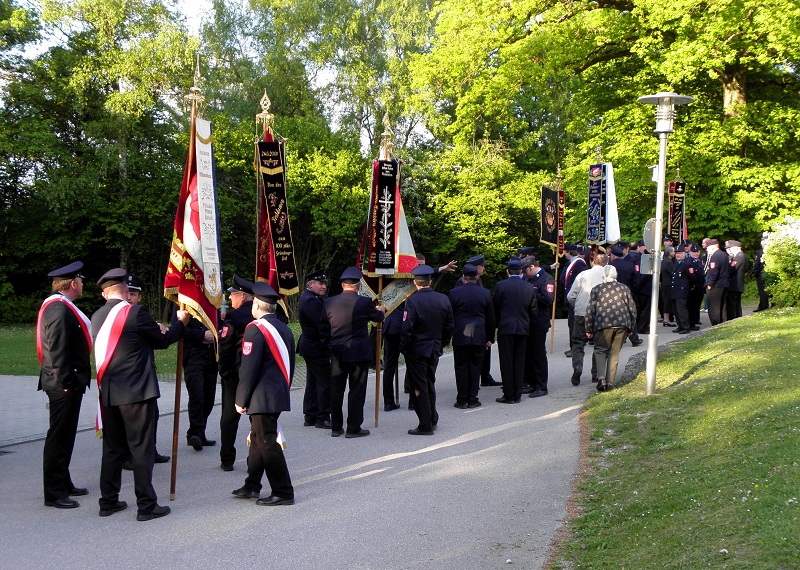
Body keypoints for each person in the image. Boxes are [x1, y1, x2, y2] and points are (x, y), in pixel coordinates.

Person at [92, 268, 189, 521]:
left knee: (113, 449)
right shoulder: (135, 312)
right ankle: (146, 505)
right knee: (141, 449)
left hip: (110, 392)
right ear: (125, 291)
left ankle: (108, 501)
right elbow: (162, 340)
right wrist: (181, 323)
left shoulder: (97, 316)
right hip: (137, 393)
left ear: (105, 295)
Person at [231, 282, 295, 506]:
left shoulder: (255, 328)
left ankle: (283, 491)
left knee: (267, 442)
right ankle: (252, 485)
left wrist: (241, 400)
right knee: (258, 439)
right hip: (276, 393)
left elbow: (248, 368)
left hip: (261, 396)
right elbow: (291, 364)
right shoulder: (285, 328)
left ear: (256, 305)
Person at [37, 261, 92, 509]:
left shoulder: (60, 306)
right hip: (63, 383)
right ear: (72, 284)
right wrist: (67, 381)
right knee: (59, 437)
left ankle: (63, 481)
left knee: (65, 435)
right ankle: (54, 492)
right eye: (80, 281)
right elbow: (57, 349)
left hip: (64, 381)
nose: (82, 284)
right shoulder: (58, 309)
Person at [320, 266, 385, 438]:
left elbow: (323, 329)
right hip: (358, 353)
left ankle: (336, 427)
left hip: (337, 352)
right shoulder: (364, 302)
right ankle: (353, 427)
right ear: (358, 286)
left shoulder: (329, 302)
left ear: (342, 285)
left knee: (336, 389)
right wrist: (382, 311)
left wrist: (330, 348)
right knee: (356, 390)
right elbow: (377, 318)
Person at [122, 275, 169, 470]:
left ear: (139, 297)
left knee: (152, 415)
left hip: (143, 375)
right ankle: (130, 456)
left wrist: (157, 330)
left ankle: (151, 449)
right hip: (127, 377)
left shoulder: (140, 313)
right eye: (127, 293)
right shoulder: (123, 314)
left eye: (133, 294)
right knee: (132, 420)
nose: (130, 297)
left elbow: (153, 337)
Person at [401, 265, 454, 435]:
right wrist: (443, 342)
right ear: (430, 281)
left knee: (419, 387)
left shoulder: (413, 300)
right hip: (434, 348)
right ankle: (432, 417)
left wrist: (404, 348)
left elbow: (407, 327)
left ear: (415, 282)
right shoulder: (443, 299)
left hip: (417, 349)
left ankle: (425, 424)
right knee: (430, 382)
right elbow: (449, 325)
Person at [218, 274, 254, 471]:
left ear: (243, 296)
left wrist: (224, 371)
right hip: (255, 373)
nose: (230, 299)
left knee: (230, 416)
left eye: (233, 295)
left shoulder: (234, 317)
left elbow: (225, 345)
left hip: (235, 373)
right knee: (255, 417)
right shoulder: (259, 314)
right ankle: (254, 458)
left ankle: (227, 458)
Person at [448, 263, 494, 409]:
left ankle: (461, 399)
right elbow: (490, 317)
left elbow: (449, 317)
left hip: (461, 335)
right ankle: (472, 398)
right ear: (477, 277)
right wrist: (489, 338)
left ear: (463, 277)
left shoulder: (454, 293)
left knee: (461, 367)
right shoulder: (485, 293)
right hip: (479, 334)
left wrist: (448, 336)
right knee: (475, 367)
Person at [585, 265, 637, 392]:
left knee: (600, 350)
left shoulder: (597, 289)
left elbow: (591, 310)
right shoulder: (624, 288)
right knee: (614, 353)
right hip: (621, 324)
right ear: (616, 275)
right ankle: (610, 382)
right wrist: (631, 327)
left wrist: (588, 328)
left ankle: (601, 378)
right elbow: (632, 309)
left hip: (603, 324)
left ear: (603, 276)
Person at [492, 258, 537, 403]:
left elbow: (496, 307)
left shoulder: (501, 286)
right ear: (521, 272)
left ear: (507, 272)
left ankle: (508, 394)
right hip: (522, 328)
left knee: (506, 362)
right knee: (519, 361)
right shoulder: (529, 287)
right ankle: (517, 394)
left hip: (506, 327)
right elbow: (533, 310)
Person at [454, 253, 500, 387]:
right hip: (468, 326)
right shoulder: (461, 283)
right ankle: (473, 384)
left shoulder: (478, 280)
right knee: (471, 358)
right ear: (475, 268)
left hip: (480, 325)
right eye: (481, 266)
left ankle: (485, 375)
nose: (483, 269)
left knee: (483, 354)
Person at [178, 308, 218, 451]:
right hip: (194, 354)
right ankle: (195, 433)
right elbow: (180, 328)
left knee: (209, 397)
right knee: (197, 395)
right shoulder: (184, 302)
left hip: (212, 355)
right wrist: (202, 334)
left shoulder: (213, 301)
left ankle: (200, 432)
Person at [297, 269, 332, 429]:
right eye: (320, 283)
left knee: (313, 381)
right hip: (316, 347)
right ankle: (322, 416)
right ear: (311, 284)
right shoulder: (312, 301)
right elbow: (322, 325)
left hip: (311, 346)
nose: (323, 286)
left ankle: (310, 414)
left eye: (324, 283)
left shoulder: (311, 298)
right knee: (325, 381)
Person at [567, 253, 607, 385]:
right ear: (606, 263)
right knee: (599, 345)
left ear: (593, 262)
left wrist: (578, 306)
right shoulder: (607, 276)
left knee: (578, 342)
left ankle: (577, 366)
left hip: (582, 312)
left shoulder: (583, 275)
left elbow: (571, 296)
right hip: (600, 314)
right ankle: (596, 373)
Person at [522, 256, 555, 398]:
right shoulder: (528, 279)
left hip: (539, 322)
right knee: (528, 355)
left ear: (532, 267)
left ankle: (541, 386)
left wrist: (531, 294)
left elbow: (548, 299)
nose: (524, 275)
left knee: (538, 354)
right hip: (527, 322)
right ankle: (530, 382)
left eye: (525, 271)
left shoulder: (546, 278)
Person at [559, 244, 588, 357]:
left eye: (565, 252)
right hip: (570, 295)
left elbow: (580, 280)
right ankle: (573, 347)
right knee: (571, 323)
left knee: (573, 324)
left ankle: (575, 348)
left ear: (568, 252)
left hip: (575, 297)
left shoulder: (579, 263)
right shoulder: (572, 263)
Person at [704, 239, 730, 325]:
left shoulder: (715, 256)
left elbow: (713, 272)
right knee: (723, 306)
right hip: (724, 284)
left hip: (716, 285)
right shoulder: (724, 255)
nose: (707, 250)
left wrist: (710, 284)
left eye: (707, 247)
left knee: (714, 307)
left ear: (712, 247)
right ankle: (723, 323)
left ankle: (715, 324)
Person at [670, 249, 692, 334]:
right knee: (676, 310)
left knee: (681, 310)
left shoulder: (686, 263)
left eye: (679, 253)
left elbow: (691, 277)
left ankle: (685, 326)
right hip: (675, 290)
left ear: (684, 254)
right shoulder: (677, 263)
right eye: (676, 254)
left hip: (682, 290)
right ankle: (680, 325)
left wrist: (689, 287)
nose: (678, 255)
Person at [725, 240, 747, 320]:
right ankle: (737, 318)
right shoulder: (742, 256)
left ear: (736, 247)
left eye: (731, 248)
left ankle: (733, 319)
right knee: (736, 304)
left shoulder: (738, 257)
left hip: (734, 285)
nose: (730, 250)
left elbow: (731, 269)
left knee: (733, 305)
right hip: (737, 285)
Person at [686, 244, 705, 330]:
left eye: (697, 252)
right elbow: (691, 276)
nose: (695, 254)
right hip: (693, 288)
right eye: (694, 252)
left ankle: (695, 320)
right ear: (690, 252)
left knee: (697, 305)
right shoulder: (689, 261)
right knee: (692, 306)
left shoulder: (699, 261)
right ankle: (691, 323)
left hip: (700, 287)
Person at [660, 246, 677, 326]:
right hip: (668, 284)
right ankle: (666, 319)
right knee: (667, 302)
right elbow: (672, 273)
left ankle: (666, 318)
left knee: (666, 301)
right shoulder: (669, 262)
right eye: (673, 251)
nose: (674, 253)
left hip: (665, 283)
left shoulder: (663, 261)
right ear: (670, 253)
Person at [753, 235, 770, 312]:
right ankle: (773, 303)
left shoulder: (760, 252)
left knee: (762, 290)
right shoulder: (773, 251)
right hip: (770, 273)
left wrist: (755, 273)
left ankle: (763, 305)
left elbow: (757, 264)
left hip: (761, 274)